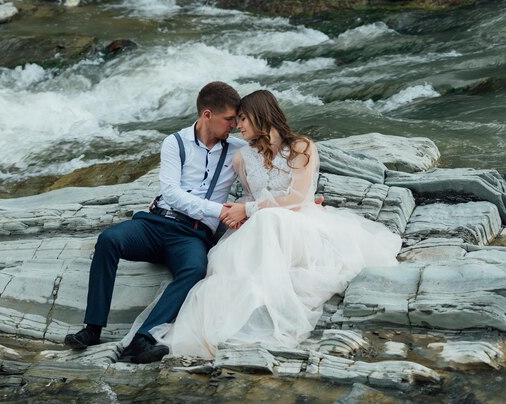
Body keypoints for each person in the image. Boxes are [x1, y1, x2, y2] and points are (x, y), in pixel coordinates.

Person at [148, 90, 403, 359]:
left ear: (261, 116)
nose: (238, 126)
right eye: (236, 120)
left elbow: (294, 198)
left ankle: (262, 309)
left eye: (244, 118)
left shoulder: (301, 147)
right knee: (234, 258)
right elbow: (250, 197)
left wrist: (249, 209)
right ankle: (226, 324)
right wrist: (244, 212)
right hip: (266, 226)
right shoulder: (241, 158)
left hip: (300, 226)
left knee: (269, 219)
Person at [64, 81, 247, 363]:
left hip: (192, 235)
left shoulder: (237, 149)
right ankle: (92, 329)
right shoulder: (174, 143)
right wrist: (219, 209)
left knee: (195, 269)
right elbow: (172, 194)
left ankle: (144, 339)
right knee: (109, 239)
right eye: (229, 119)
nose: (234, 125)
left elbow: (272, 157)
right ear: (207, 115)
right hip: (155, 223)